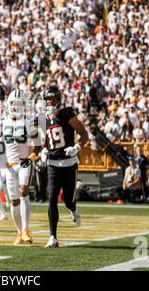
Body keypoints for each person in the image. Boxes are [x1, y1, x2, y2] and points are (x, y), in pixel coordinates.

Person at [0, 89, 41, 244]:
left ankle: (26, 230)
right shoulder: (3, 121)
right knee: (14, 201)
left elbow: (39, 144)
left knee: (23, 191)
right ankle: (19, 232)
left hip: (24, 163)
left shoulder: (28, 121)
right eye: (13, 104)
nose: (15, 107)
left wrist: (32, 157)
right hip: (9, 165)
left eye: (18, 104)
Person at [42, 86, 89, 248]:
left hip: (69, 163)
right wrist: (42, 150)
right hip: (53, 164)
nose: (50, 103)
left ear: (58, 100)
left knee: (68, 200)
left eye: (52, 100)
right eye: (47, 100)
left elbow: (84, 134)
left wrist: (77, 147)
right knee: (52, 198)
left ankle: (73, 209)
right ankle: (53, 237)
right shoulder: (44, 118)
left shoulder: (67, 114)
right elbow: (44, 139)